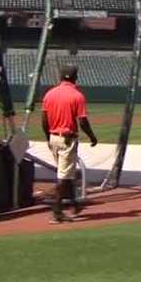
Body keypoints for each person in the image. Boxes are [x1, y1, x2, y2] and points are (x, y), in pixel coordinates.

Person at [41, 65, 98, 223]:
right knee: (64, 177)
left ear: (60, 77)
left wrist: (49, 138)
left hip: (53, 137)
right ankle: (57, 211)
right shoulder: (77, 96)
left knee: (67, 174)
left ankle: (74, 204)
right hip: (67, 139)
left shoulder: (49, 94)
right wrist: (92, 137)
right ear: (75, 77)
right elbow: (83, 121)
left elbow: (44, 121)